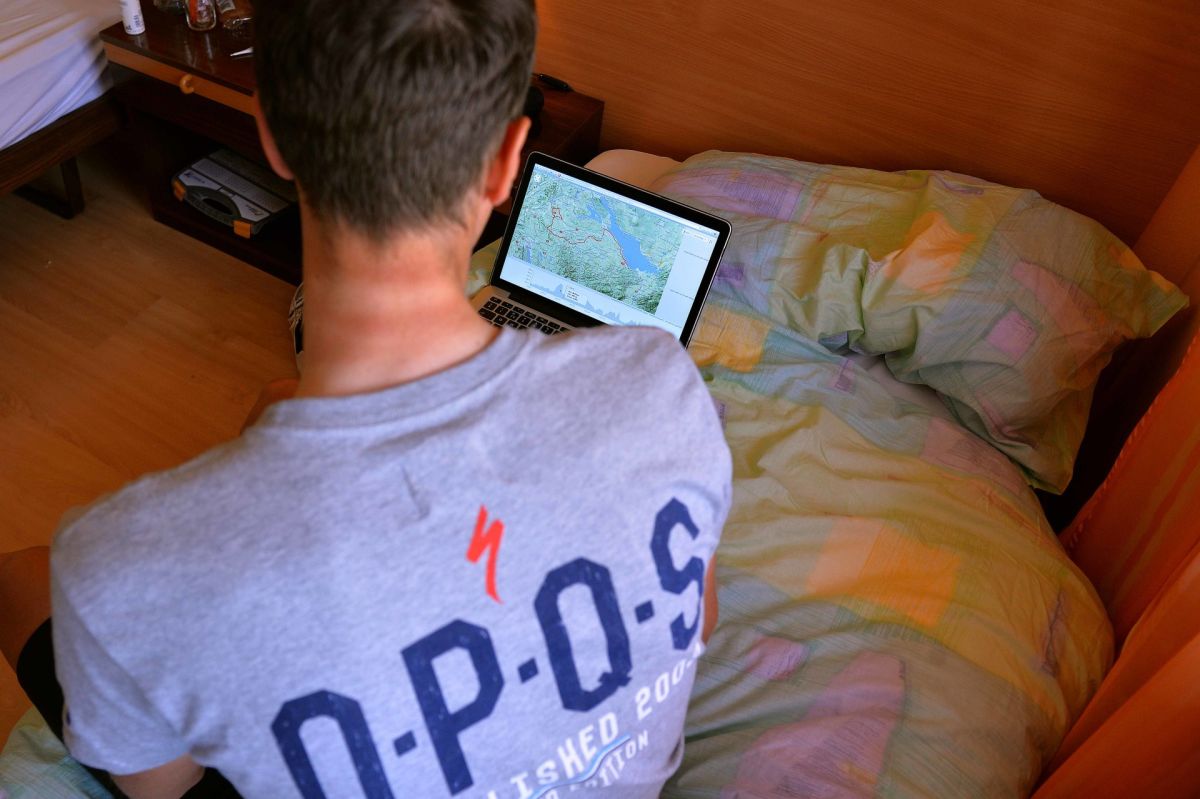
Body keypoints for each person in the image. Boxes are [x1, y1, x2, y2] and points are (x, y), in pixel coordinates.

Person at [0, 0, 732, 796]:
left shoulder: (116, 563)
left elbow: (159, 785)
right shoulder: (661, 382)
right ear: (506, 161)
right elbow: (700, 617)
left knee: (18, 577)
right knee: (275, 402)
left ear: (272, 134)